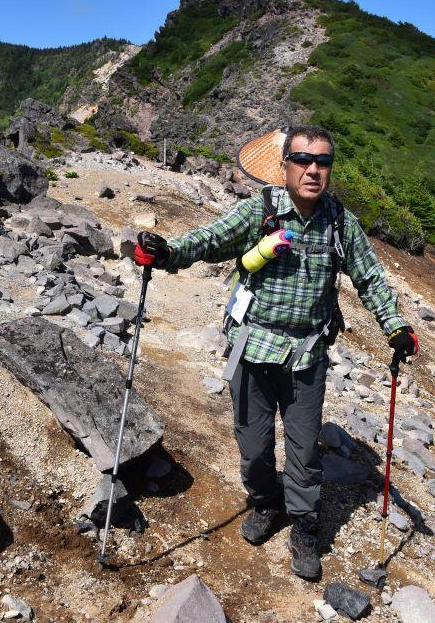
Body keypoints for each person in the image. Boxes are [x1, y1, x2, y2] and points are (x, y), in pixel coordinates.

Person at [134, 125, 418, 580]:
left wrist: (397, 327)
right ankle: (266, 502)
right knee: (253, 444)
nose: (313, 169)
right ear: (284, 166)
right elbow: (209, 240)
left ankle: (304, 527)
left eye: (323, 161)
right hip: (253, 347)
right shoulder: (259, 211)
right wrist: (166, 252)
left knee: (305, 452)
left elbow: (370, 279)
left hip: (307, 356)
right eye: (303, 159)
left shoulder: (341, 224)